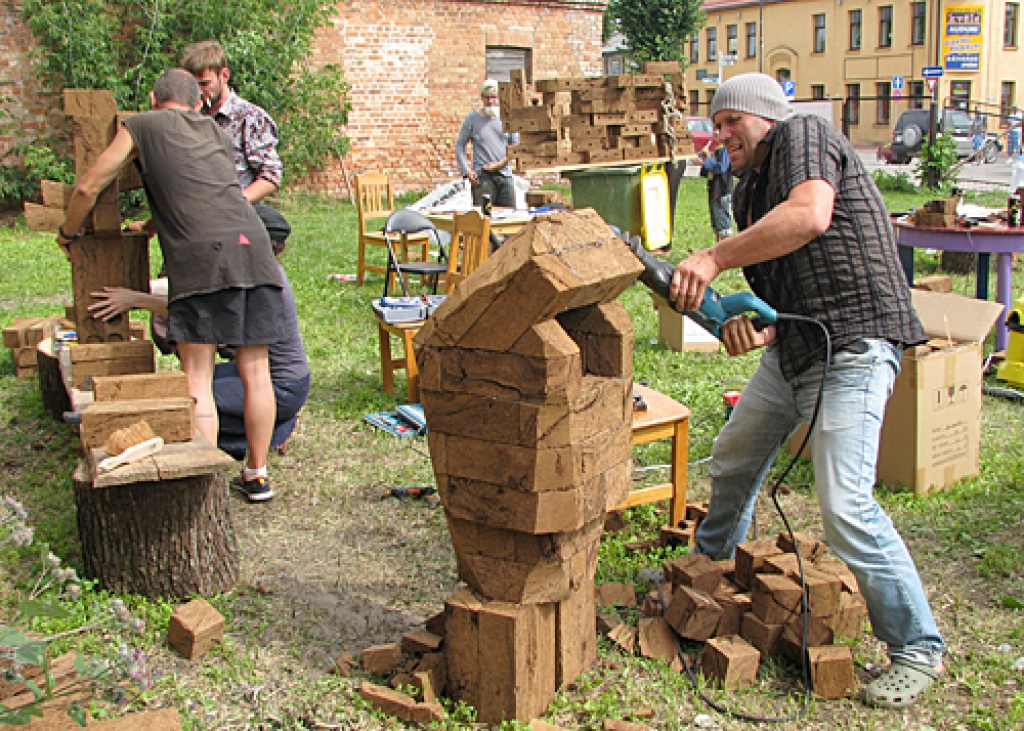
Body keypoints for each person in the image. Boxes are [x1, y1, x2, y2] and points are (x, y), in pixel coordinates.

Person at [667, 73, 945, 709]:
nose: (721, 134)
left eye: (732, 120)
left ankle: (917, 647)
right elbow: (777, 303)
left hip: (854, 346)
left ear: (766, 116)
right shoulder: (748, 194)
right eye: (717, 123)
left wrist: (712, 257)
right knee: (735, 457)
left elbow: (812, 215)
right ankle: (706, 576)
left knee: (844, 505)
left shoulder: (805, 134)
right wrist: (752, 328)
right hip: (795, 351)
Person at [56, 68, 285, 502]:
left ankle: (205, 484)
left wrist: (69, 232)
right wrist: (151, 224)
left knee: (197, 373)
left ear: (152, 98)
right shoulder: (215, 131)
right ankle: (257, 475)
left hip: (200, 258)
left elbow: (88, 186)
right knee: (256, 370)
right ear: (198, 102)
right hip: (253, 246)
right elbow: (203, 193)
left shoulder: (141, 125)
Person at [181, 40, 282, 204]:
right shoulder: (193, 116)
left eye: (205, 84)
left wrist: (234, 203)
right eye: (194, 85)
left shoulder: (250, 117)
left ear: (224, 75)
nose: (199, 91)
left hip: (234, 211)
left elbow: (270, 176)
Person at [456, 79, 519, 208]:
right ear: (482, 98)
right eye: (487, 97)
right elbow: (460, 145)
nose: (490, 101)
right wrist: (466, 171)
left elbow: (516, 147)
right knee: (484, 215)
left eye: (493, 97)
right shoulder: (472, 119)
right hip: (482, 177)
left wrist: (499, 164)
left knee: (509, 214)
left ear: (499, 97)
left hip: (504, 175)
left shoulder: (508, 117)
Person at [697, 139, 734, 240]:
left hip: (722, 191)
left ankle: (727, 247)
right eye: (714, 131)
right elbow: (707, 170)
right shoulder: (716, 149)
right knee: (717, 225)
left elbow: (721, 168)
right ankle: (719, 247)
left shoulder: (725, 150)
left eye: (718, 131)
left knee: (724, 227)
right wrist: (704, 161)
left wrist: (707, 159)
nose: (716, 133)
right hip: (714, 189)